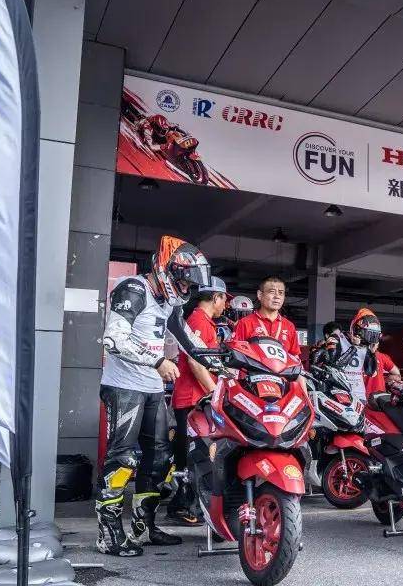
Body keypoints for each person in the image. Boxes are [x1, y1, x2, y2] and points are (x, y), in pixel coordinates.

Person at [97, 236, 211, 557]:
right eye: (183, 280)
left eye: (190, 284)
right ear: (166, 268)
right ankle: (108, 534)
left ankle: (143, 527)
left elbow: (189, 341)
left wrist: (223, 361)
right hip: (124, 386)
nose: (186, 288)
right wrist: (157, 361)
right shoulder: (134, 289)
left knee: (160, 459)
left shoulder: (169, 302)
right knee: (122, 459)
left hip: (152, 388)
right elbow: (113, 339)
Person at [166, 276, 226, 525]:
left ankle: (187, 504)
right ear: (216, 297)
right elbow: (194, 361)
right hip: (193, 399)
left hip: (196, 398)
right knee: (195, 454)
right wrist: (215, 392)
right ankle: (182, 505)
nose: (225, 305)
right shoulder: (199, 321)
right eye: (224, 299)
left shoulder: (205, 322)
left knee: (195, 453)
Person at [232, 276, 301, 361]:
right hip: (252, 370)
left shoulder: (289, 326)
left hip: (282, 370)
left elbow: (295, 357)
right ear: (260, 295)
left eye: (281, 293)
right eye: (272, 292)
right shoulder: (245, 323)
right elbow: (236, 354)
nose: (277, 296)